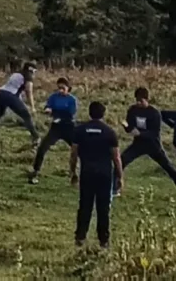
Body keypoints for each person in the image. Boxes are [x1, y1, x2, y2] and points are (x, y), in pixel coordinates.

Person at [71, 100, 124, 248]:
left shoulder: (80, 130)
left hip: (87, 173)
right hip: (104, 175)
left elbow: (73, 154)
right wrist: (120, 176)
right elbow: (116, 157)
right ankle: (104, 240)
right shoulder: (109, 132)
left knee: (85, 206)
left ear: (89, 113)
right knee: (103, 208)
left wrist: (73, 172)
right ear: (103, 114)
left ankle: (80, 237)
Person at [122, 87, 176, 197]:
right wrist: (127, 127)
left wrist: (140, 133)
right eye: (137, 100)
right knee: (121, 161)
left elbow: (154, 133)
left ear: (147, 99)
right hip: (138, 144)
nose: (138, 103)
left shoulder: (154, 113)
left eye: (141, 101)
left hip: (153, 145)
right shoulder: (132, 110)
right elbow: (130, 125)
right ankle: (114, 187)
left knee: (168, 167)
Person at [27, 77, 80, 183]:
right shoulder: (53, 97)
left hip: (69, 127)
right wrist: (47, 109)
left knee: (79, 151)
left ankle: (76, 174)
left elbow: (70, 114)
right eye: (59, 88)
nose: (60, 90)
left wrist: (54, 111)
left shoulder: (72, 100)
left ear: (68, 88)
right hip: (56, 128)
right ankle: (35, 171)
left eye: (63, 88)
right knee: (42, 148)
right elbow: (47, 107)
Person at [0, 64, 38, 136]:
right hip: (9, 95)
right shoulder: (28, 76)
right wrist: (32, 107)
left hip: (0, 93)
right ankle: (36, 137)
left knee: (0, 112)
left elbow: (15, 89)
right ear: (32, 70)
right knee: (26, 115)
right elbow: (29, 92)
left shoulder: (16, 74)